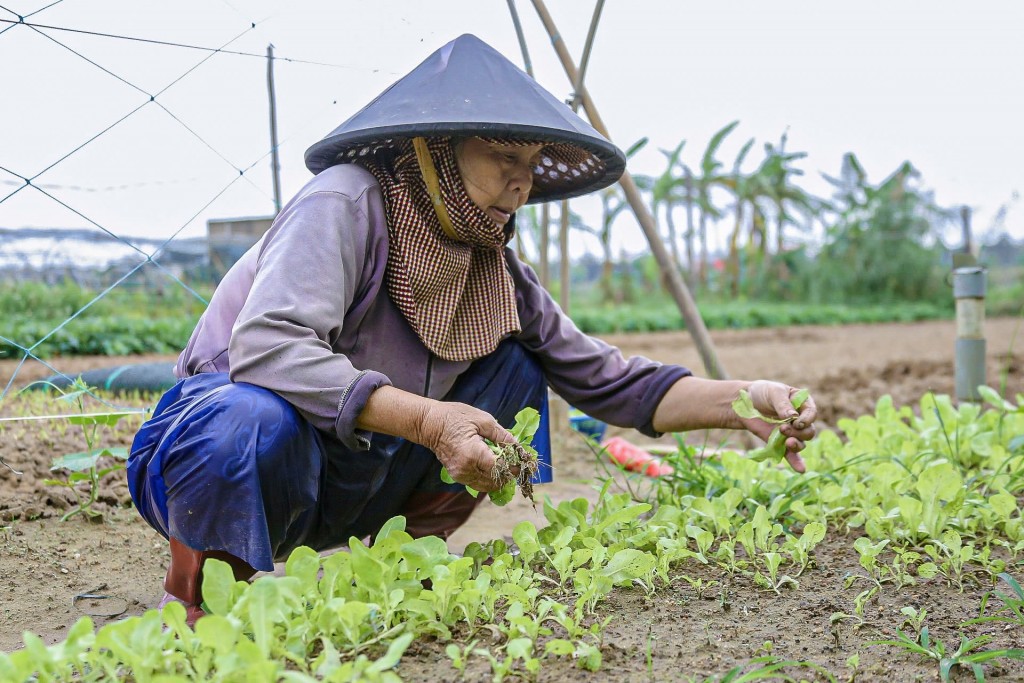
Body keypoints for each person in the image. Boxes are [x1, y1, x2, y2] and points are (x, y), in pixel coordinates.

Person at [127, 34, 817, 626]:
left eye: (530, 167)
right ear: (437, 152)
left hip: (352, 475)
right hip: (219, 457)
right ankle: (203, 598)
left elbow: (611, 381)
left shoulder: (498, 273)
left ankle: (404, 562)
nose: (522, 185)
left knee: (518, 369)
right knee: (246, 416)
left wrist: (746, 397)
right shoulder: (346, 202)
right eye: (503, 159)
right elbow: (268, 348)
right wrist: (431, 421)